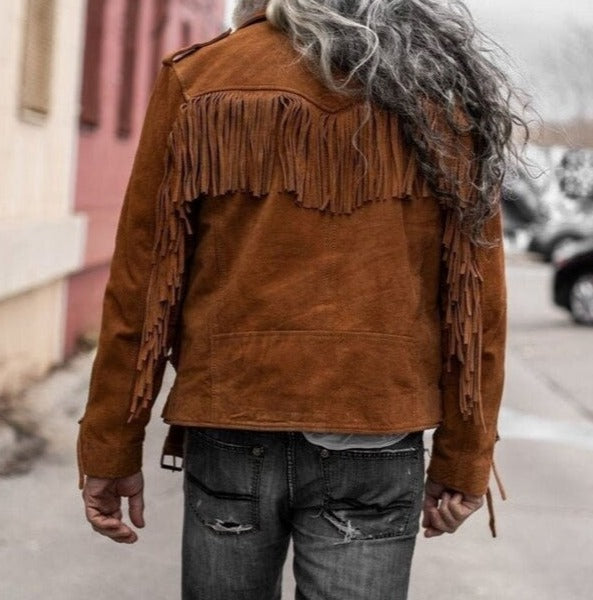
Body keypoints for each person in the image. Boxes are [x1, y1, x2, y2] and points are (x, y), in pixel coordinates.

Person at [78, 1, 524, 598]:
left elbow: (143, 283)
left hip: (231, 416)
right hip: (376, 424)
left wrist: (111, 445)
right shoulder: (438, 86)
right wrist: (465, 458)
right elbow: (476, 298)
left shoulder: (203, 77)